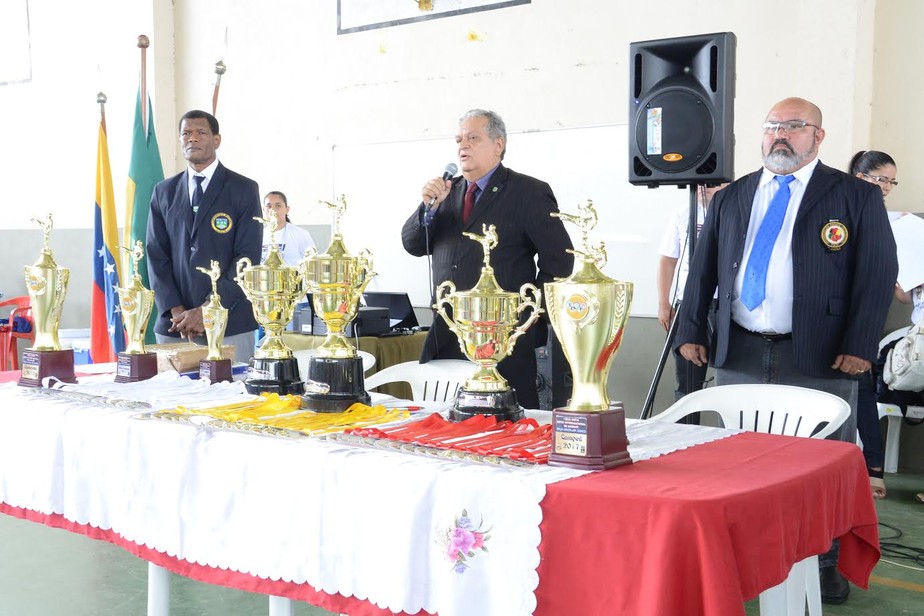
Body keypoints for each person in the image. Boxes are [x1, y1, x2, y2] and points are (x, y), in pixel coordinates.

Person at [674, 97, 898, 605]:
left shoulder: (854, 196)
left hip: (821, 354)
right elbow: (703, 269)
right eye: (773, 125)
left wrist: (861, 344)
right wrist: (693, 328)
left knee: (821, 466)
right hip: (741, 350)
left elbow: (878, 273)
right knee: (739, 462)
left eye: (795, 126)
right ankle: (745, 557)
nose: (781, 134)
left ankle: (823, 564)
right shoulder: (732, 197)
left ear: (818, 137)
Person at [401, 109, 574, 410]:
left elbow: (560, 261)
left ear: (498, 144)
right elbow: (412, 244)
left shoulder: (529, 192)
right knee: (443, 429)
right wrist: (427, 209)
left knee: (505, 428)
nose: (462, 145)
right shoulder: (446, 192)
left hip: (503, 339)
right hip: (449, 332)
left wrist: (525, 315)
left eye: (472, 137)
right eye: (458, 139)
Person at [146, 109, 262, 365]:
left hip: (230, 322)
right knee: (172, 402)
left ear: (216, 140)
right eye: (186, 133)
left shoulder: (243, 189)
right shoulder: (163, 192)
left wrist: (208, 311)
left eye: (201, 132)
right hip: (175, 326)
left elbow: (247, 257)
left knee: (231, 399)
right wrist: (176, 309)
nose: (193, 138)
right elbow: (156, 255)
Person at [849, 150, 900, 500]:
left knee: (863, 393)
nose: (884, 187)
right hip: (827, 316)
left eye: (890, 181)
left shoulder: (892, 221)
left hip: (865, 318)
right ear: (858, 175)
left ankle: (873, 468)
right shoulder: (839, 210)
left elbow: (892, 283)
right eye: (879, 178)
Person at [656, 183, 728, 402]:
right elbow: (668, 261)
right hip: (688, 305)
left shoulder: (737, 211)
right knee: (687, 384)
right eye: (698, 184)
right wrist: (663, 304)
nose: (703, 188)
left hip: (726, 307)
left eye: (713, 184)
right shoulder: (683, 214)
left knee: (732, 383)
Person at [261, 191, 316, 266]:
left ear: (287, 209)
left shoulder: (301, 234)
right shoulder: (257, 236)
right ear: (263, 209)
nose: (273, 210)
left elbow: (312, 264)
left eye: (278, 205)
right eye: (269, 206)